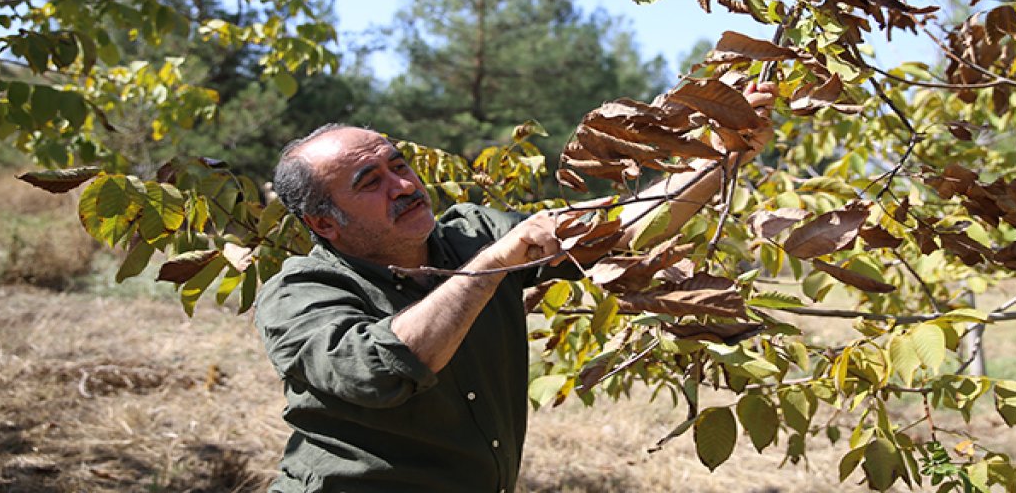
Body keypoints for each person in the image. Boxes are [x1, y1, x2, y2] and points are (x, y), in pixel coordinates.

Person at [254, 84, 774, 492]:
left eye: (399, 165)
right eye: (371, 182)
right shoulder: (300, 293)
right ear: (325, 225)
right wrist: (495, 263)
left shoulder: (472, 235)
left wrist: (720, 157)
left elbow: (615, 237)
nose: (406, 186)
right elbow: (379, 372)